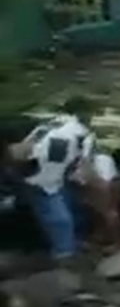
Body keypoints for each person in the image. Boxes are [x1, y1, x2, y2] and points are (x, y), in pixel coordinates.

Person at [9, 112, 94, 261]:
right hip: (46, 181)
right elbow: (84, 167)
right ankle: (65, 252)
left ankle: (68, 246)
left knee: (66, 212)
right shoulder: (80, 134)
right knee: (60, 218)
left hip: (44, 178)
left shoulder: (48, 127)